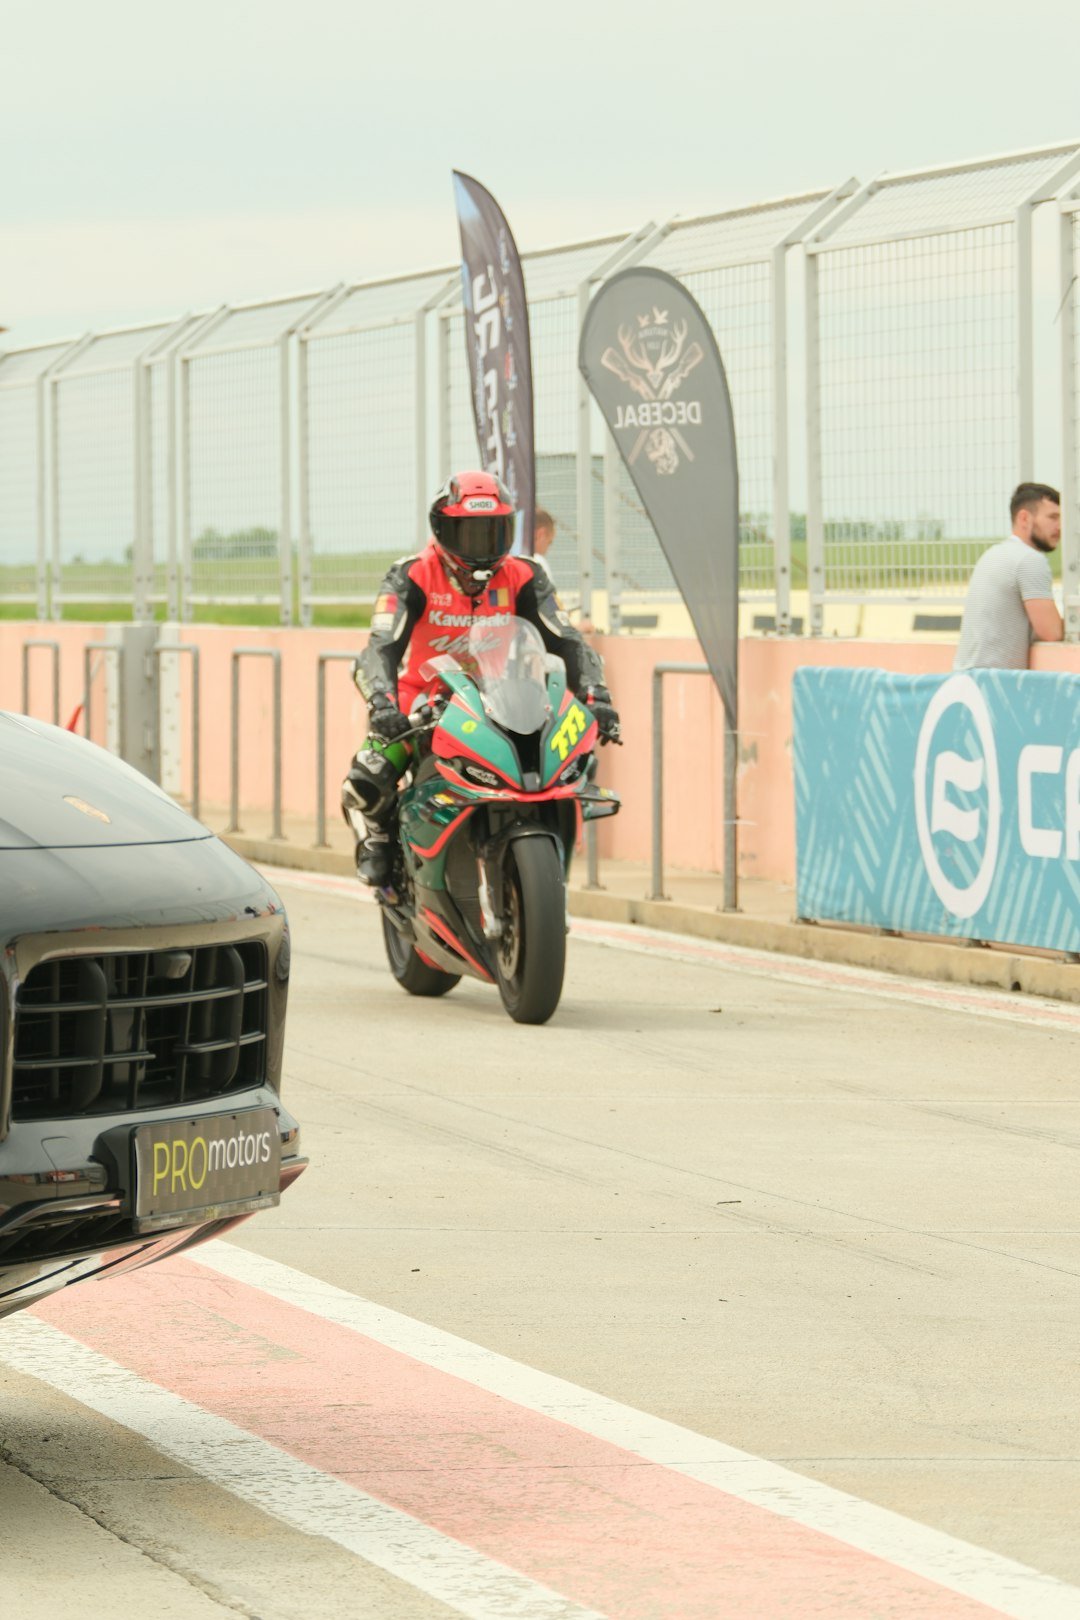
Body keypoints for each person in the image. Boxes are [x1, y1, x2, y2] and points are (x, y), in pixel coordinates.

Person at [342, 471, 620, 886]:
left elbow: (566, 639)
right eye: (469, 533)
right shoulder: (410, 574)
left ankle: (548, 846)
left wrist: (597, 695)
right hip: (423, 696)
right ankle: (378, 837)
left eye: (493, 532)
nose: (481, 546)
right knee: (370, 774)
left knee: (572, 754)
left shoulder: (525, 574)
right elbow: (379, 647)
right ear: (441, 529)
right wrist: (381, 702)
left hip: (502, 695)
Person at [954, 484, 1063, 670]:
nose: (1060, 526)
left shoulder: (993, 554)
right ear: (1024, 518)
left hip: (966, 680)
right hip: (994, 684)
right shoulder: (1030, 560)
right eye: (1052, 517)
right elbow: (1051, 632)